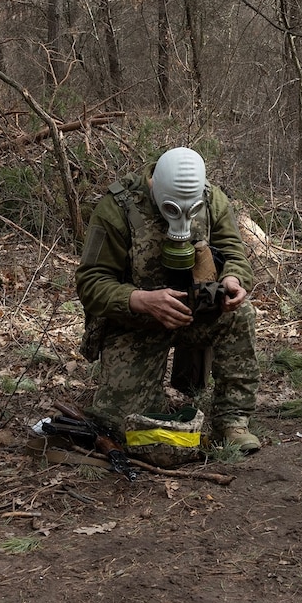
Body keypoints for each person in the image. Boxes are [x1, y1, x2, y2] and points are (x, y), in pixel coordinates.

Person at [75, 147, 262, 452]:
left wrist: (233, 279)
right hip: (135, 322)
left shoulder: (212, 199)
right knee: (122, 426)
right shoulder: (117, 208)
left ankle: (231, 421)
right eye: (173, 208)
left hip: (195, 312)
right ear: (155, 190)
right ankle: (151, 399)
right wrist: (138, 300)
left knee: (240, 314)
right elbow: (90, 280)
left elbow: (232, 248)